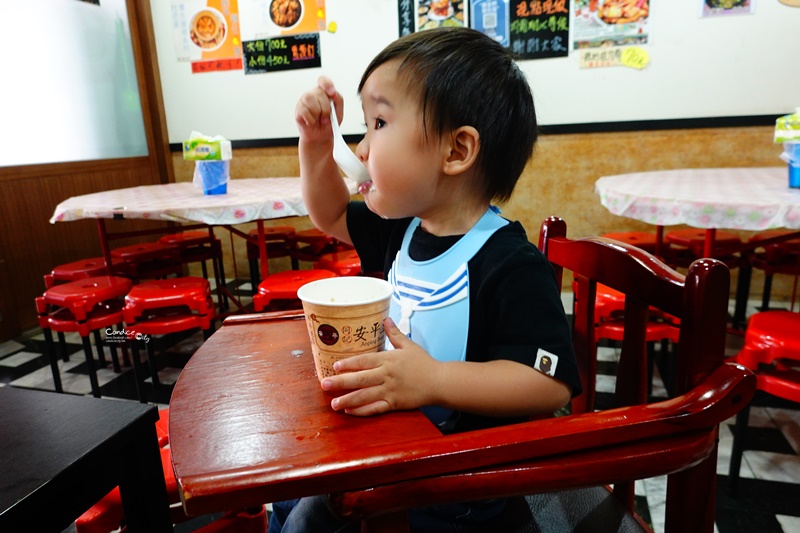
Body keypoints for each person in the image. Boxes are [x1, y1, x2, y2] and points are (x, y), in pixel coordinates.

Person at [272, 26, 581, 532]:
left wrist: (433, 380)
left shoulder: (508, 263)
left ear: (456, 151)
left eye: (379, 123)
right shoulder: (404, 227)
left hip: (461, 486)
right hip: (397, 448)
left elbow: (549, 384)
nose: (364, 147)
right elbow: (329, 213)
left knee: (310, 517)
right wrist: (316, 145)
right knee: (291, 492)